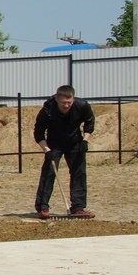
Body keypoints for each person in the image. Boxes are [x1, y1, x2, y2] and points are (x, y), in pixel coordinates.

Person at [34, 85, 95, 219]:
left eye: (69, 102)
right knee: (49, 172)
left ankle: (78, 207)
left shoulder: (82, 106)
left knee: (79, 172)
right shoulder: (47, 110)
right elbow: (38, 133)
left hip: (75, 142)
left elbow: (90, 122)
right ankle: (42, 207)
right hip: (54, 144)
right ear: (57, 99)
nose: (66, 105)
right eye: (63, 103)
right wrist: (47, 150)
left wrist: (85, 140)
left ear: (73, 99)